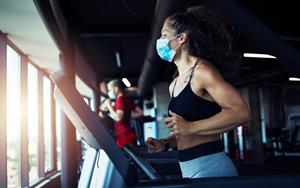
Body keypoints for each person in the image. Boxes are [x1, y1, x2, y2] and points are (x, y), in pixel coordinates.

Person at [146, 5, 250, 178]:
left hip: (211, 166)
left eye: (164, 35)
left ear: (181, 38)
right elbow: (185, 131)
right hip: (188, 167)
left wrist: (191, 127)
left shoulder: (203, 71)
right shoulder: (175, 82)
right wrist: (165, 142)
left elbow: (242, 112)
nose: (160, 40)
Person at [102, 79, 143, 149]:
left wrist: (109, 105)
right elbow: (140, 112)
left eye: (109, 90)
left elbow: (118, 118)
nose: (109, 92)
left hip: (124, 138)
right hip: (128, 135)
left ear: (116, 89)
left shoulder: (119, 100)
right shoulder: (126, 99)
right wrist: (126, 115)